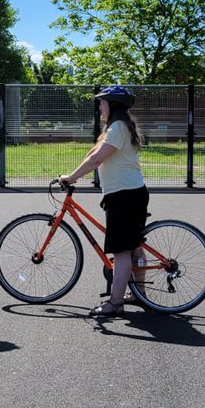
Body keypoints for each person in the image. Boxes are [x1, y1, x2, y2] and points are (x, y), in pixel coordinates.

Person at [59, 86, 148, 317]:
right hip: (128, 193)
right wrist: (74, 172)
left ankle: (115, 302)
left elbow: (98, 159)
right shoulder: (115, 128)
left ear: (113, 105)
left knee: (121, 251)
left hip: (125, 196)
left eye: (103, 103)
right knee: (134, 247)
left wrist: (71, 178)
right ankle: (140, 294)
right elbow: (93, 154)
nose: (100, 106)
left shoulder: (118, 128)